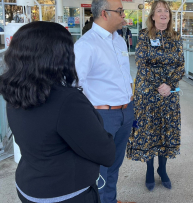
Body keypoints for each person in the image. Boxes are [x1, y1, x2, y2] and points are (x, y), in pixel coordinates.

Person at [0, 21, 115, 203]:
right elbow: (106, 153)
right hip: (67, 193)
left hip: (29, 187)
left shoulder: (14, 90)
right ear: (59, 55)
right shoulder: (67, 100)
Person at [74, 0, 134, 203]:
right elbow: (74, 85)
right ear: (104, 13)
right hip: (102, 115)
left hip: (125, 112)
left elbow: (124, 74)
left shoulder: (118, 40)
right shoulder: (86, 45)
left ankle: (110, 200)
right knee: (99, 170)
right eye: (119, 11)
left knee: (114, 165)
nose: (124, 15)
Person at [126, 0, 185, 191]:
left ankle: (163, 169)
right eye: (159, 11)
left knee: (166, 131)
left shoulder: (176, 37)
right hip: (148, 93)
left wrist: (169, 85)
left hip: (169, 93)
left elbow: (181, 66)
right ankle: (150, 169)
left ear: (169, 16)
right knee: (149, 131)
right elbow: (141, 63)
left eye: (166, 11)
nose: (163, 13)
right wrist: (159, 85)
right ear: (152, 16)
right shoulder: (143, 35)